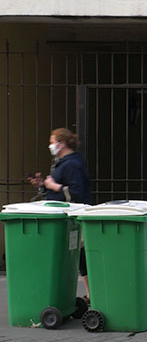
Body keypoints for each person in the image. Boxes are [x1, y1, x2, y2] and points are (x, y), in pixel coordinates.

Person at [29, 128, 92, 299]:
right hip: (66, 215)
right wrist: (43, 184)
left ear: (61, 144)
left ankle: (91, 293)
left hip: (74, 215)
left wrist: (52, 186)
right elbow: (60, 188)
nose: (50, 145)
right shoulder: (63, 162)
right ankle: (89, 293)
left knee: (81, 255)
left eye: (52, 141)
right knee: (78, 255)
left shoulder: (71, 164)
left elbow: (76, 192)